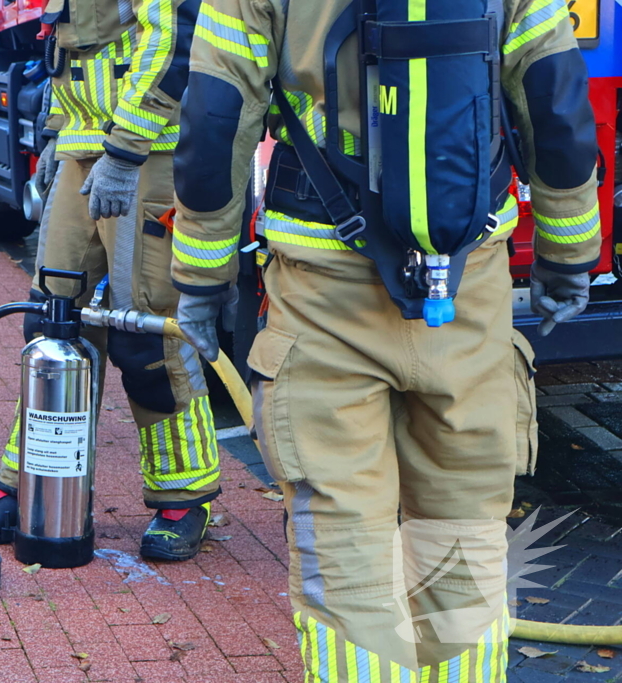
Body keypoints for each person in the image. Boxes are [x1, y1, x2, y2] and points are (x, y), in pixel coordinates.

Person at [172, 0, 597, 676]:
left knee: (347, 560)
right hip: (468, 288)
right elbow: (554, 98)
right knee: (463, 550)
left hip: (322, 290)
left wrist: (200, 275)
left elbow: (216, 114)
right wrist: (569, 251)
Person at [0, 0, 222, 561]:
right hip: (84, 149)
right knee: (50, 327)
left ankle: (185, 494)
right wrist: (54, 138)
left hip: (147, 152)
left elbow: (171, 41)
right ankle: (31, 482)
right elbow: (69, 52)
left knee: (148, 335)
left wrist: (125, 150)